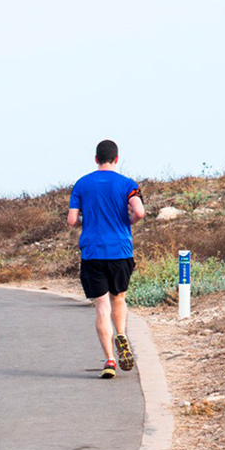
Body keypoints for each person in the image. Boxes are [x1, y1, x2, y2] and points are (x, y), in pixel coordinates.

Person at [67, 140, 146, 378]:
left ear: (95, 159)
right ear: (117, 158)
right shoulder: (127, 184)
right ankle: (121, 332)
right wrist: (127, 222)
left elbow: (72, 221)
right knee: (118, 298)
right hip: (121, 250)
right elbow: (140, 212)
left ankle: (110, 360)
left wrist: (85, 222)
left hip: (93, 252)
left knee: (101, 306)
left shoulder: (82, 184)